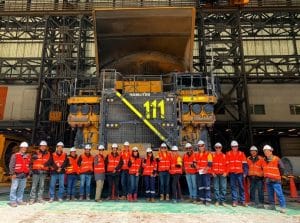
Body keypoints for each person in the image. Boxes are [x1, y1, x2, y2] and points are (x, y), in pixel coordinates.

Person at [263, 145, 286, 213]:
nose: (266, 153)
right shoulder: (264, 160)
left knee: (279, 194)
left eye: (267, 151)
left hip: (276, 180)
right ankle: (272, 206)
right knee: (270, 194)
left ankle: (283, 207)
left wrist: (279, 175)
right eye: (265, 151)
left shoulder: (276, 159)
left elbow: (282, 168)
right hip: (268, 180)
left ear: (271, 151)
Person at [226, 140, 248, 207]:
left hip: (240, 173)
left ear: (237, 147)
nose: (234, 148)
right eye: (233, 146)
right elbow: (226, 164)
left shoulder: (241, 154)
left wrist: (245, 172)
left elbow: (245, 164)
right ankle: (234, 201)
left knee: (241, 187)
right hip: (232, 173)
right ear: (231, 147)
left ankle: (243, 201)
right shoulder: (228, 154)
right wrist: (227, 172)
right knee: (233, 187)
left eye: (235, 146)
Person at [9, 142, 30, 207]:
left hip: (24, 175)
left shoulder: (27, 156)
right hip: (16, 175)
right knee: (14, 188)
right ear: (20, 148)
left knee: (21, 188)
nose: (24, 149)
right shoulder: (15, 155)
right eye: (23, 147)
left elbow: (28, 166)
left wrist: (28, 174)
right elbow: (11, 165)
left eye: (25, 148)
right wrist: (13, 173)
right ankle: (12, 201)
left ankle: (19, 200)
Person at [29, 140, 50, 204]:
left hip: (43, 172)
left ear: (46, 147)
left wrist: (47, 169)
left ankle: (39, 198)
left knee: (41, 186)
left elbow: (49, 162)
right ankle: (32, 199)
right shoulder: (35, 152)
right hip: (36, 172)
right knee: (34, 186)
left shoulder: (48, 153)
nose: (43, 147)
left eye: (44, 146)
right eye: (42, 146)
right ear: (40, 146)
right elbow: (31, 159)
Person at [195, 140, 212, 205]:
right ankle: (202, 200)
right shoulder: (197, 154)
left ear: (204, 146)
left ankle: (207, 200)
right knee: (201, 186)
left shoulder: (208, 154)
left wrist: (205, 170)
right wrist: (196, 166)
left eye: (201, 146)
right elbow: (194, 163)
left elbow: (210, 163)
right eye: (199, 146)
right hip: (199, 172)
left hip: (206, 173)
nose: (200, 147)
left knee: (207, 186)